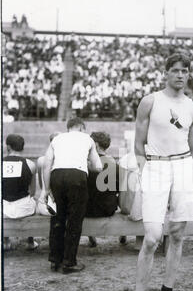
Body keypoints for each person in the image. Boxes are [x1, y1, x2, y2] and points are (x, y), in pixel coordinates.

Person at [122, 53, 193, 291]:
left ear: (189, 75)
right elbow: (138, 145)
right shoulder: (150, 101)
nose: (180, 75)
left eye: (185, 71)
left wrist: (183, 173)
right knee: (153, 238)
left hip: (181, 167)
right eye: (175, 70)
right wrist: (146, 170)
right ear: (166, 73)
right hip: (155, 167)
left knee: (178, 234)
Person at [42, 117, 102, 274]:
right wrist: (86, 161)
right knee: (74, 220)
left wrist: (46, 189)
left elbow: (47, 163)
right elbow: (98, 166)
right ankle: (69, 262)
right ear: (82, 127)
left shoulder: (57, 138)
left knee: (57, 218)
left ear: (68, 128)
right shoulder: (87, 138)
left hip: (56, 175)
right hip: (77, 176)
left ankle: (55, 260)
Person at [3, 134, 38, 251]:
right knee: (32, 200)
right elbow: (33, 191)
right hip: (24, 208)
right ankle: (30, 241)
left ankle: (5, 240)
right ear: (22, 147)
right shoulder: (31, 164)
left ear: (8, 146)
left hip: (3, 209)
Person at [86, 131, 120, 247]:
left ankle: (90, 235)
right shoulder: (114, 164)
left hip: (86, 210)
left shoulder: (85, 164)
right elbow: (119, 190)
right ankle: (123, 235)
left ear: (95, 145)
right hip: (107, 209)